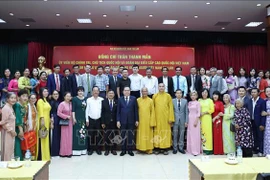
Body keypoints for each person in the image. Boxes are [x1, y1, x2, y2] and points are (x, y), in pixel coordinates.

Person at [152, 83, 174, 155]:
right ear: (158, 87)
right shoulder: (155, 96)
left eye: (162, 86)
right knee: (157, 132)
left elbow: (171, 107)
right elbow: (152, 108)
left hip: (166, 118)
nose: (161, 88)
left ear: (165, 87)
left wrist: (171, 118)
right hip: (157, 117)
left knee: (165, 132)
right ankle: (157, 148)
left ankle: (165, 148)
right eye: (160, 86)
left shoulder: (168, 96)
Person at [117, 86, 139, 156]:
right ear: (123, 92)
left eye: (128, 90)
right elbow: (118, 112)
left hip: (131, 120)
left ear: (130, 91)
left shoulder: (134, 99)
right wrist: (118, 120)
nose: (126, 92)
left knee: (130, 136)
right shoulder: (120, 99)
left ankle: (130, 150)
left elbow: (136, 110)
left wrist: (136, 120)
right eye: (125, 90)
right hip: (122, 121)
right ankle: (123, 150)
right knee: (122, 135)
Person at [136, 87, 156, 154]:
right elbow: (136, 111)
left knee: (148, 135)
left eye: (145, 91)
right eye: (143, 91)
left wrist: (152, 122)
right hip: (140, 121)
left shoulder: (150, 100)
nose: (144, 92)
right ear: (141, 92)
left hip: (148, 121)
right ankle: (140, 149)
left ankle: (149, 149)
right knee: (140, 135)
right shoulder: (138, 100)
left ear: (147, 92)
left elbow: (153, 112)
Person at [247, 88, 266, 157]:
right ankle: (255, 149)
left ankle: (260, 150)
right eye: (252, 92)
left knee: (260, 137)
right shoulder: (249, 101)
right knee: (253, 136)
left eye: (255, 92)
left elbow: (263, 114)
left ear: (258, 93)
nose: (253, 93)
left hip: (259, 122)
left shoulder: (262, 101)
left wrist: (262, 124)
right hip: (251, 121)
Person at [85, 86, 103, 155]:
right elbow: (87, 110)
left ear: (99, 92)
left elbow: (103, 111)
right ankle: (90, 149)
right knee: (90, 135)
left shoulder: (101, 99)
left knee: (98, 135)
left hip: (99, 120)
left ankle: (98, 149)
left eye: (97, 91)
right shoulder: (88, 100)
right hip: (91, 119)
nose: (95, 92)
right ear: (92, 92)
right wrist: (87, 119)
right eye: (94, 91)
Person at [0, 93, 17, 161]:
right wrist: (11, 131)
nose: (13, 100)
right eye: (11, 98)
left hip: (11, 132)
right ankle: (6, 164)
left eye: (14, 98)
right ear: (7, 99)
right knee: (7, 150)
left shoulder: (10, 107)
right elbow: (3, 122)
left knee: (10, 149)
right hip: (7, 132)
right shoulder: (6, 108)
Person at [101, 89, 118, 156]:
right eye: (109, 93)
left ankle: (114, 149)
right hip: (106, 122)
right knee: (106, 136)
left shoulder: (117, 102)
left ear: (114, 95)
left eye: (112, 93)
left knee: (115, 136)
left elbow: (118, 112)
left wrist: (118, 121)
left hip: (115, 122)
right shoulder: (103, 102)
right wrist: (102, 122)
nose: (111, 94)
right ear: (107, 95)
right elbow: (102, 112)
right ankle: (107, 149)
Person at [36, 87, 51, 160]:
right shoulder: (40, 101)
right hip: (43, 120)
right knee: (42, 137)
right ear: (41, 93)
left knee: (46, 137)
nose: (46, 93)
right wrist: (42, 120)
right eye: (44, 92)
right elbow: (41, 111)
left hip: (47, 120)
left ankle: (46, 155)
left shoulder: (46, 100)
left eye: (47, 91)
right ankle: (41, 156)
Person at [72, 87, 88, 156]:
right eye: (79, 91)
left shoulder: (86, 99)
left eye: (81, 91)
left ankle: (83, 149)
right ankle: (76, 150)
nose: (80, 92)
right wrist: (74, 118)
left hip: (84, 119)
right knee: (77, 133)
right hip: (77, 118)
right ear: (77, 92)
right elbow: (73, 110)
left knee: (83, 133)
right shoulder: (74, 99)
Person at [199, 88, 214, 155]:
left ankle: (208, 149)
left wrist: (204, 112)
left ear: (208, 93)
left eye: (206, 92)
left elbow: (212, 109)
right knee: (201, 132)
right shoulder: (199, 100)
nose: (204, 94)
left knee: (208, 133)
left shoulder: (210, 100)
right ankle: (202, 148)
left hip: (207, 118)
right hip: (200, 118)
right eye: (203, 92)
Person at [14, 89, 28, 160]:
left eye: (26, 96)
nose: (25, 98)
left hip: (22, 127)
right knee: (18, 145)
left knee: (22, 144)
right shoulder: (17, 105)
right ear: (18, 97)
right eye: (23, 96)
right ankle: (18, 159)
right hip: (17, 128)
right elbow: (18, 118)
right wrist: (20, 129)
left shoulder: (23, 106)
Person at [172, 89, 188, 154]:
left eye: (180, 93)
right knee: (175, 134)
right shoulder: (172, 101)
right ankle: (175, 148)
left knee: (182, 134)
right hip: (175, 120)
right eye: (177, 93)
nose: (179, 94)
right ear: (175, 94)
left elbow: (186, 112)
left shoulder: (185, 101)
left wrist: (186, 121)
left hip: (182, 120)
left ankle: (181, 148)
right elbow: (171, 111)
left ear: (182, 94)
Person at [57, 92, 73, 158]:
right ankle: (63, 153)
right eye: (67, 96)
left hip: (70, 122)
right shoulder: (62, 104)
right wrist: (66, 116)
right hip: (64, 122)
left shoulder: (71, 104)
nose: (68, 98)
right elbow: (58, 113)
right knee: (64, 138)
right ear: (64, 97)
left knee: (69, 137)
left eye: (69, 96)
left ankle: (69, 152)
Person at [186, 91, 201, 156]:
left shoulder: (198, 103)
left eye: (194, 95)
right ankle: (190, 149)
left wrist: (196, 120)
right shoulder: (189, 103)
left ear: (197, 96)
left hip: (195, 119)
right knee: (190, 134)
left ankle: (195, 150)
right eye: (192, 95)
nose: (193, 96)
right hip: (190, 119)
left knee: (195, 135)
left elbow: (199, 112)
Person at [25, 94, 38, 160]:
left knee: (33, 143)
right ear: (29, 99)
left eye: (34, 98)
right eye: (32, 98)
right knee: (29, 143)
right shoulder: (27, 107)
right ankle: (28, 158)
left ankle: (33, 158)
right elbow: (25, 118)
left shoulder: (34, 107)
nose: (33, 100)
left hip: (34, 127)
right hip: (28, 128)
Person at [212, 91, 224, 155]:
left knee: (218, 135)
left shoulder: (220, 103)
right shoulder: (211, 102)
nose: (215, 96)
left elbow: (222, 112)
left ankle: (218, 151)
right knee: (213, 135)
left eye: (216, 95)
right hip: (211, 120)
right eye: (214, 95)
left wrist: (215, 118)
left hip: (218, 120)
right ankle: (214, 150)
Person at [50, 90, 61, 157]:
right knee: (54, 135)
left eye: (57, 94)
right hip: (54, 119)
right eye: (54, 94)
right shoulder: (51, 102)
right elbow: (50, 112)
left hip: (59, 118)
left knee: (59, 135)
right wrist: (51, 120)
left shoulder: (59, 102)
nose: (56, 95)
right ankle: (54, 152)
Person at [263, 87, 270, 155]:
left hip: (268, 116)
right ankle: (267, 152)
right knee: (267, 136)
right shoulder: (264, 100)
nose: (269, 93)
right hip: (267, 121)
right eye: (267, 91)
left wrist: (267, 113)